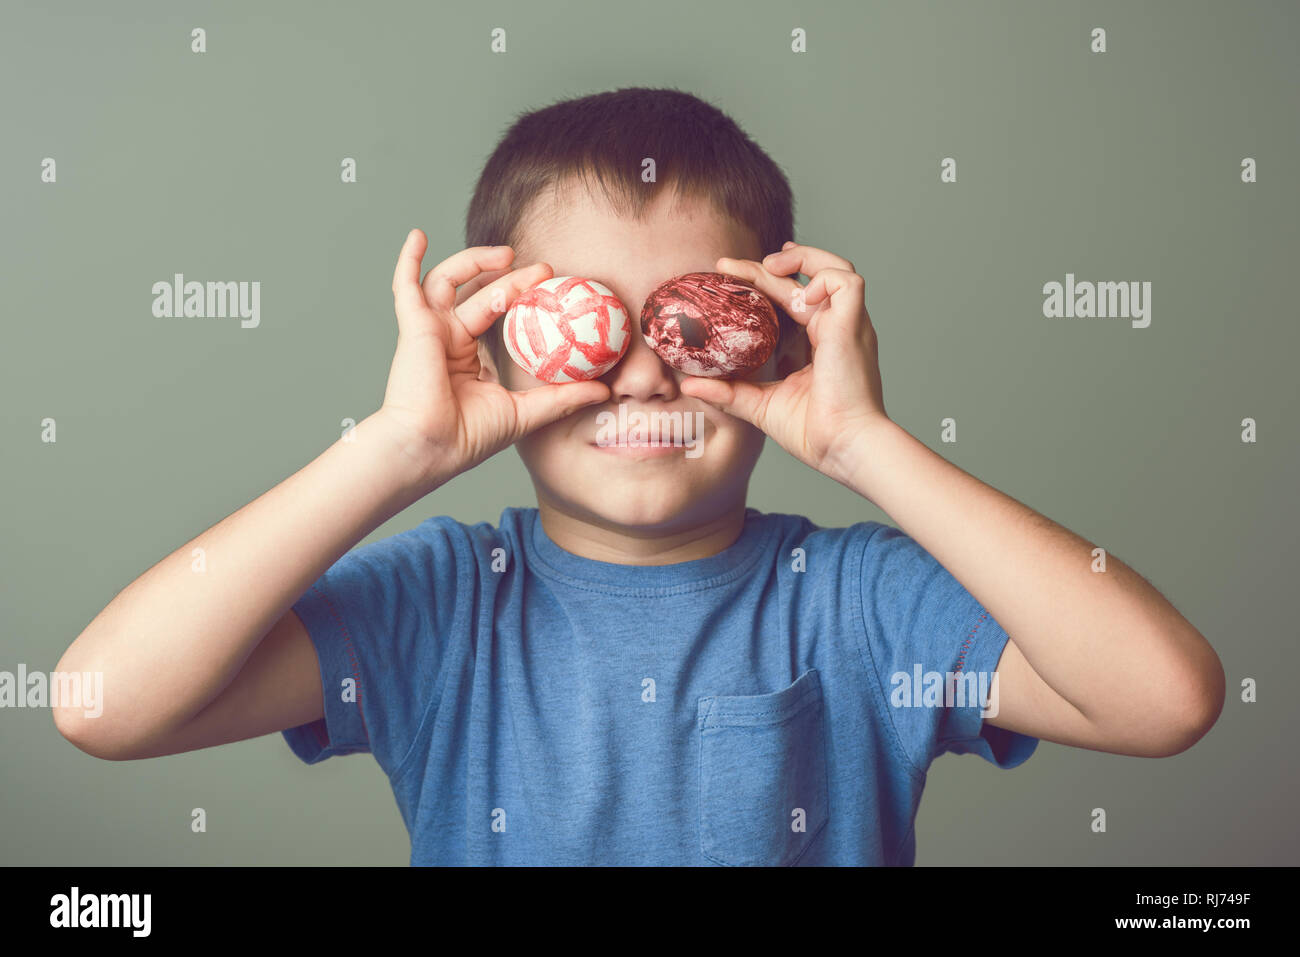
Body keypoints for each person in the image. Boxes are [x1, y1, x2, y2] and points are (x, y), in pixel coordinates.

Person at [53, 87, 1225, 865]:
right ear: (497, 345)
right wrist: (396, 450)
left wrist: (865, 443)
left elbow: (1164, 700)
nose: (640, 378)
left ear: (781, 339)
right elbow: (102, 706)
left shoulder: (858, 603)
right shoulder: (449, 604)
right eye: (584, 321)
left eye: (689, 322)